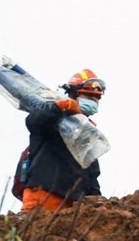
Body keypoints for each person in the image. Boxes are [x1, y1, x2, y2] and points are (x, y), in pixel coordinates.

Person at [20, 70, 105, 212]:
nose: (93, 101)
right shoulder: (54, 118)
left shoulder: (87, 133)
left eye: (96, 98)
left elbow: (91, 172)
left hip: (73, 204)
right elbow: (34, 121)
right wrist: (60, 107)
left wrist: (96, 200)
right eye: (88, 95)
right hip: (44, 195)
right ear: (73, 94)